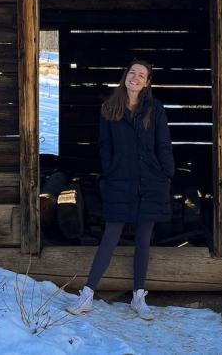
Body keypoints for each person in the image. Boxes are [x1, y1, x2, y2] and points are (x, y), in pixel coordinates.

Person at [66, 59, 175, 321]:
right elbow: (105, 145)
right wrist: (110, 169)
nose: (135, 78)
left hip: (151, 182)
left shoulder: (156, 110)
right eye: (132, 73)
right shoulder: (109, 109)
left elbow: (164, 144)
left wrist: (166, 173)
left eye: (141, 75)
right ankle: (87, 295)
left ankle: (139, 297)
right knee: (110, 236)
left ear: (148, 82)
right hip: (119, 181)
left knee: (143, 240)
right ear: (125, 76)